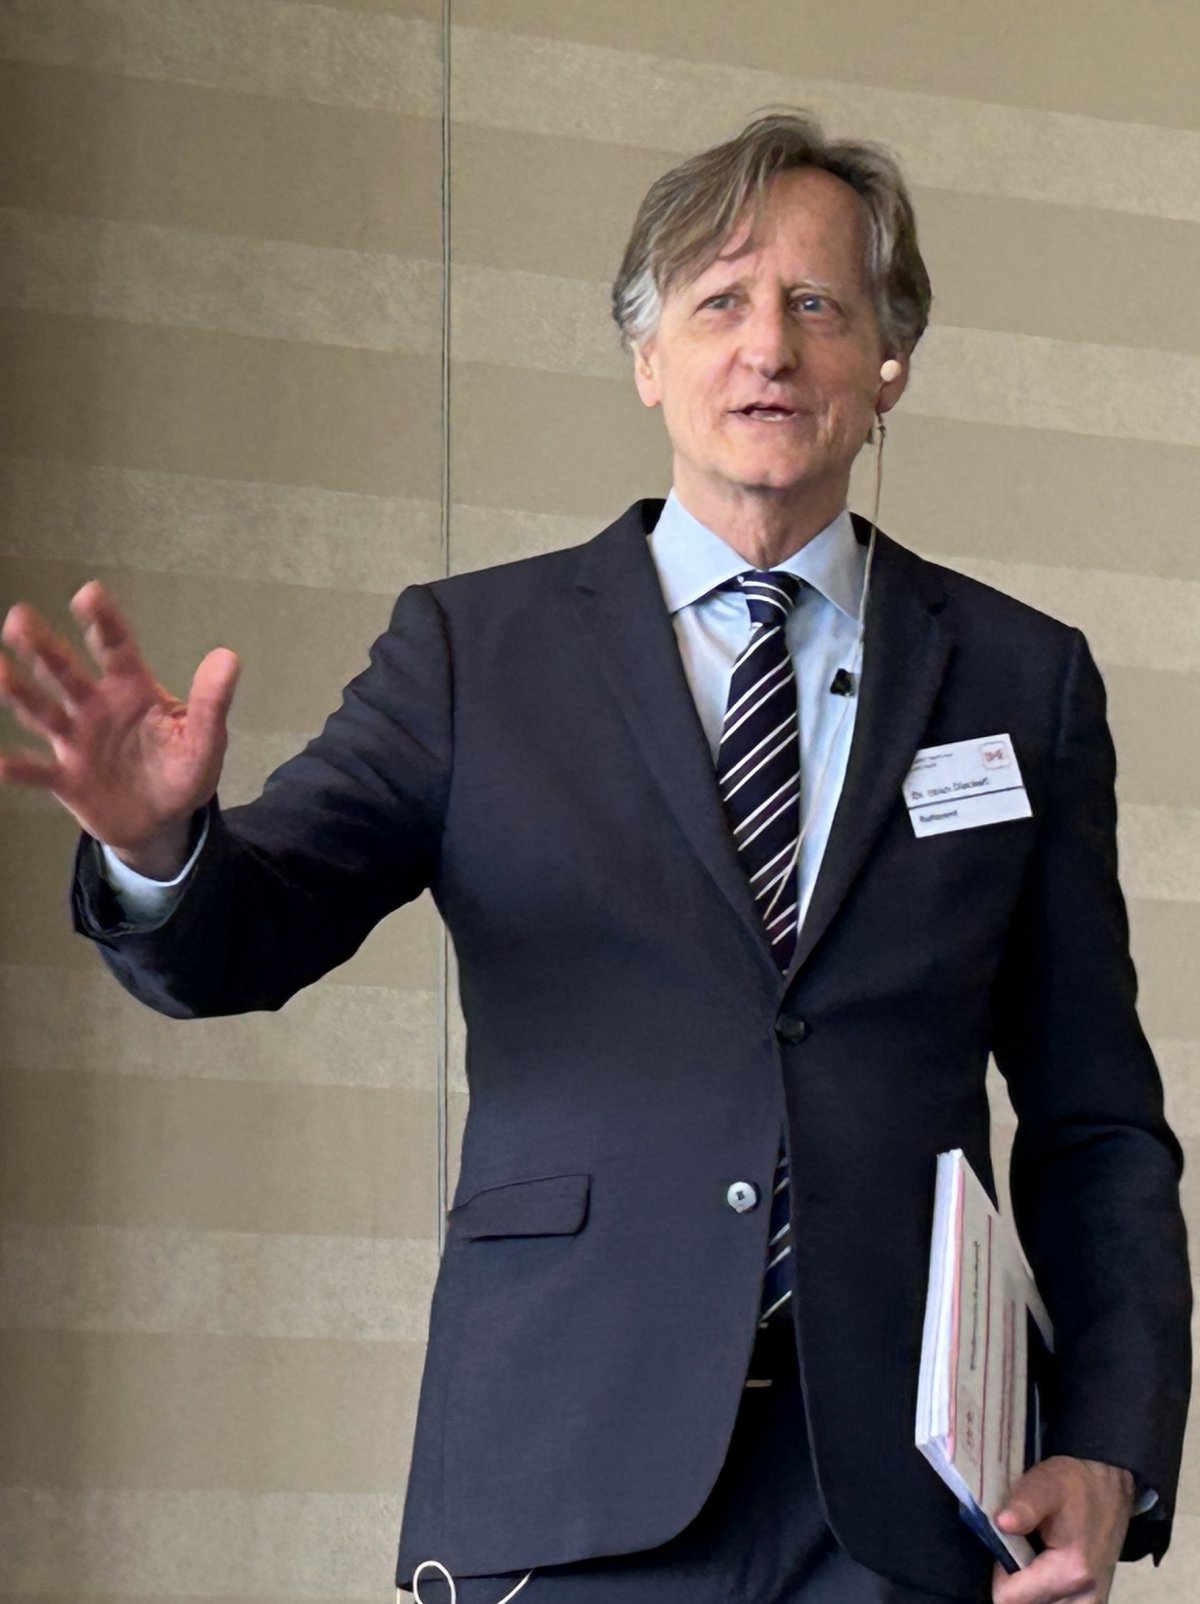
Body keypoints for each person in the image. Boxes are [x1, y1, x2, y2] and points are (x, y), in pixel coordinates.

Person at [0, 110, 1190, 1604]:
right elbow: (254, 927)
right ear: (646, 357)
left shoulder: (1022, 679)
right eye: (720, 303)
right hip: (564, 1465)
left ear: (891, 363)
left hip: (911, 1495)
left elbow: (1094, 1116)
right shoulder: (473, 652)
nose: (769, 348)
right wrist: (159, 841)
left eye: (817, 305)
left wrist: (1109, 1440)